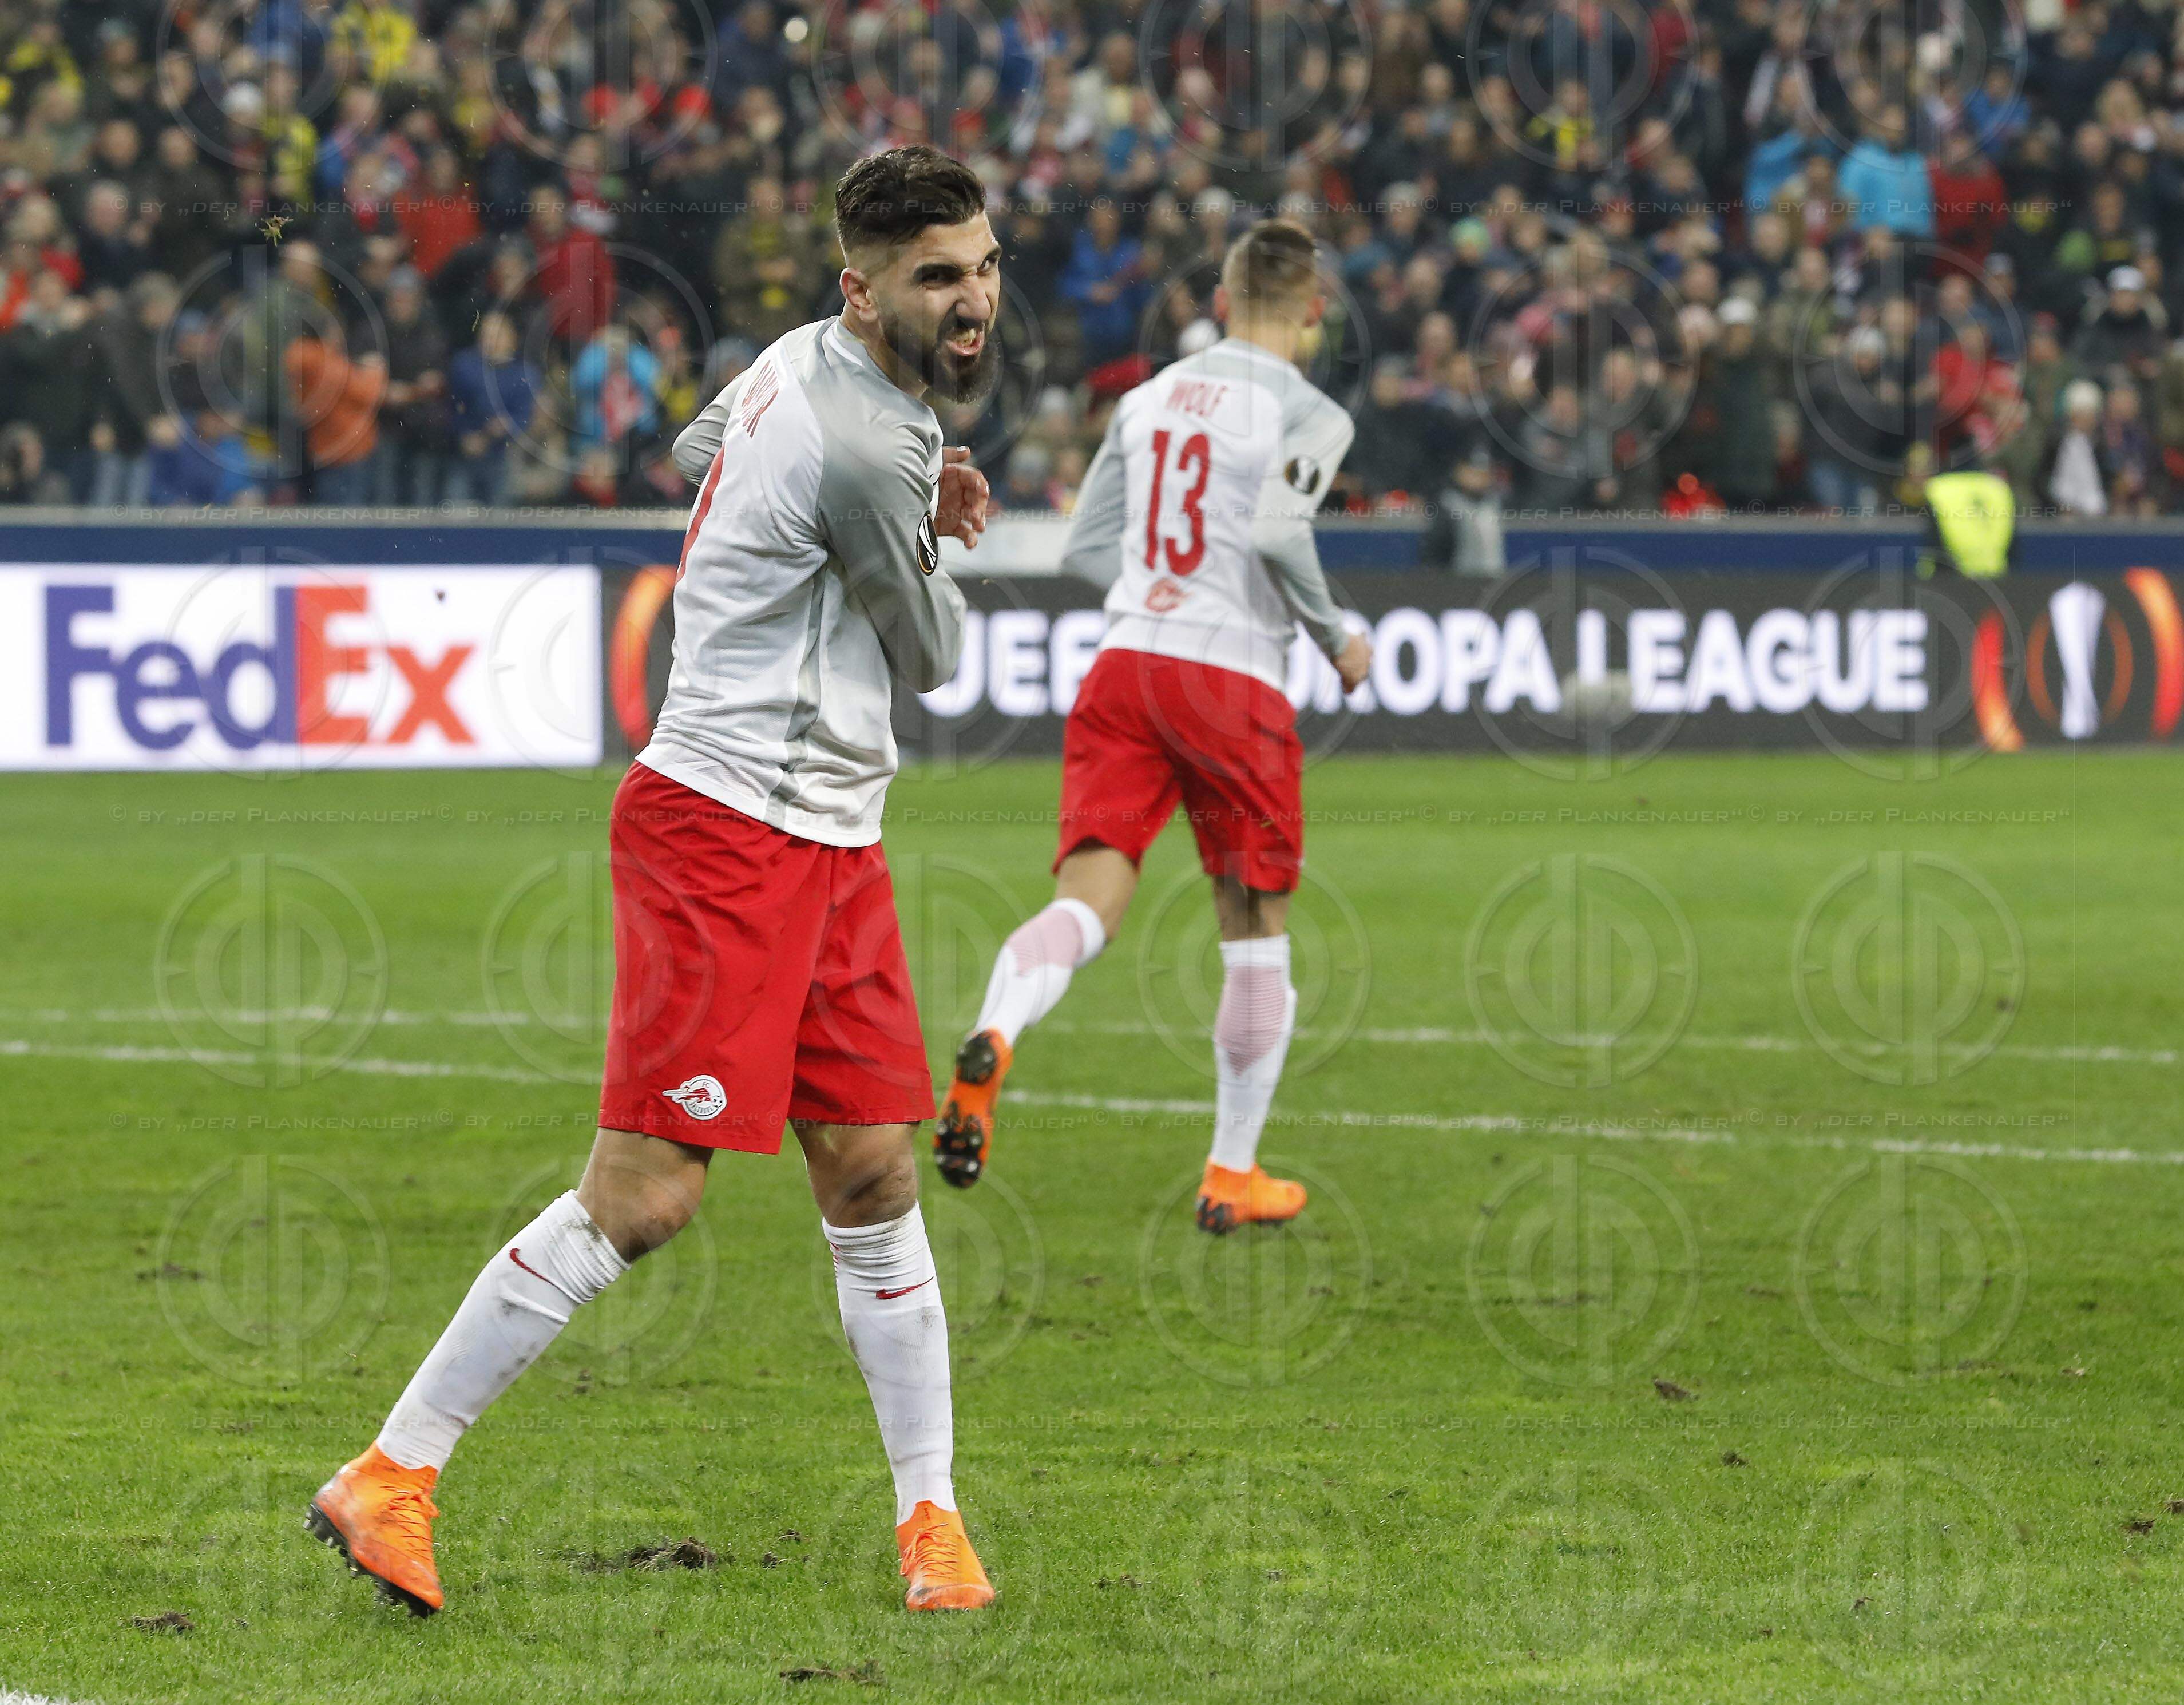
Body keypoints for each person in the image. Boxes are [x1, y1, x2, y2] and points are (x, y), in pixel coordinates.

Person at [304, 146, 1002, 1619]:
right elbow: (934, 658)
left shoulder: (786, 370)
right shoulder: (878, 443)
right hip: (724, 825)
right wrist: (941, 528)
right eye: (938, 277)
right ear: (860, 286)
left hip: (832, 836)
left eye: (983, 267)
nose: (972, 301)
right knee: (647, 1192)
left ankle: (930, 1517)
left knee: (874, 1170)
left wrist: (822, 503)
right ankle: (394, 1470)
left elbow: (696, 452)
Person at [932, 219, 1374, 1235]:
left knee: (1087, 900)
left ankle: (996, 1030)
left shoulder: (1144, 400)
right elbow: (1274, 531)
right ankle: (1231, 1174)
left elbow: (1088, 547)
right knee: (1255, 935)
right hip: (1230, 682)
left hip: (1127, 665)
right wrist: (1336, 635)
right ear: (1310, 311)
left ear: (1219, 301)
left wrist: (1159, 592)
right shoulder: (1310, 412)